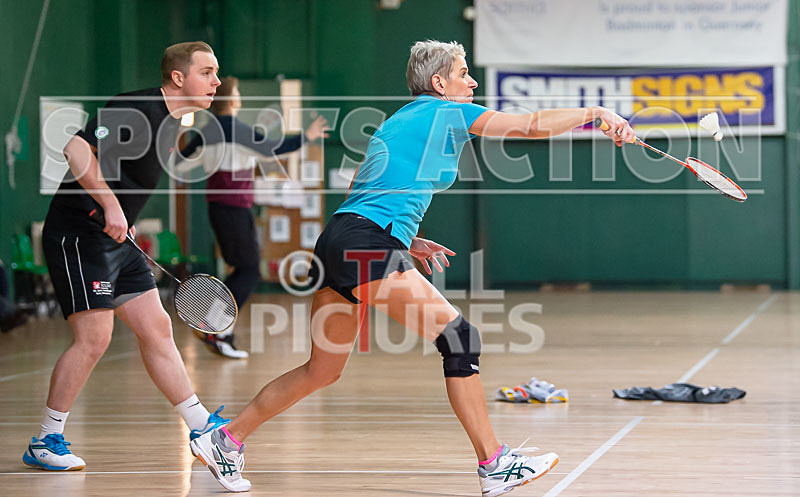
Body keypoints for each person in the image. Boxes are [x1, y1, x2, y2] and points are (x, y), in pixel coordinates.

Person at [189, 40, 636, 494]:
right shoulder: (447, 112)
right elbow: (528, 126)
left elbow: (368, 191)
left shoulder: (401, 120)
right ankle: (495, 464)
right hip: (364, 244)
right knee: (460, 339)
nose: (473, 81)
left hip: (342, 241)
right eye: (464, 73)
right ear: (439, 83)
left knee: (322, 370)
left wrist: (406, 239)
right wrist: (596, 112)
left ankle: (225, 440)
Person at [22, 42, 232, 471]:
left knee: (157, 328)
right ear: (179, 77)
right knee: (94, 338)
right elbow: (77, 150)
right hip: (79, 234)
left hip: (118, 240)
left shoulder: (174, 122)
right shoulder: (135, 108)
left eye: (216, 73)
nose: (216, 81)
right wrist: (111, 205)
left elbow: (122, 175)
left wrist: (124, 215)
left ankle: (199, 425)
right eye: (207, 72)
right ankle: (46, 439)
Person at [177, 76, 328, 359]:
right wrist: (307, 136)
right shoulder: (236, 130)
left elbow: (181, 160)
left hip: (218, 208)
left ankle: (216, 328)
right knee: (249, 271)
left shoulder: (205, 131)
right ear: (233, 100)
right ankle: (216, 328)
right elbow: (275, 146)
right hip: (234, 209)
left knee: (241, 269)